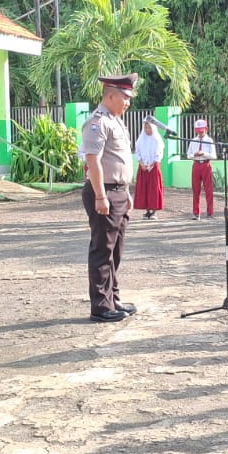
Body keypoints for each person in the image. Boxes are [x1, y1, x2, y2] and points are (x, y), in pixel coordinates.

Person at [80, 73, 140, 323]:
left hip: (118, 191)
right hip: (103, 191)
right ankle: (101, 306)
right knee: (102, 250)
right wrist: (100, 197)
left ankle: (112, 298)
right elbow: (93, 160)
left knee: (116, 250)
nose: (128, 102)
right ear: (111, 94)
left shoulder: (116, 121)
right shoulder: (98, 122)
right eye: (125, 97)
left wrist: (126, 193)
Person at [133, 121, 164, 219]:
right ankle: (147, 210)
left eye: (149, 127)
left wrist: (151, 164)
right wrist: (142, 163)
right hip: (143, 167)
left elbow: (159, 154)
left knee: (154, 188)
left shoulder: (157, 140)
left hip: (154, 167)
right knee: (144, 188)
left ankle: (154, 211)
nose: (147, 130)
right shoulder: (141, 139)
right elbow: (137, 152)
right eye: (146, 127)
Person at [187, 119, 216, 220]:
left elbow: (214, 156)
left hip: (206, 164)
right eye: (198, 131)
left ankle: (210, 212)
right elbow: (188, 155)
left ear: (206, 129)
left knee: (209, 189)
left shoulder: (209, 141)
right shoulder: (193, 141)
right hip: (196, 164)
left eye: (201, 131)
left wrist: (204, 153)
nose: (199, 133)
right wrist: (194, 155)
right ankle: (196, 212)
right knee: (196, 190)